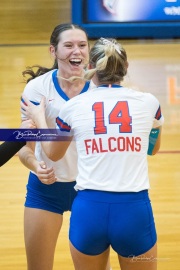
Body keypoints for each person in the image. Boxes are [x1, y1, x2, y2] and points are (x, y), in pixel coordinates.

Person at [21, 37, 164, 270]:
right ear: (126, 67)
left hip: (89, 209)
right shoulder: (149, 103)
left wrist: (38, 117)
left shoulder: (74, 106)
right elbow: (153, 149)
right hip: (133, 210)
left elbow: (52, 154)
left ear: (90, 68)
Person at [19, 24, 111, 270]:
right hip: (45, 190)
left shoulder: (101, 88)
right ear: (53, 50)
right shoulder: (37, 89)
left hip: (91, 188)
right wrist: (35, 165)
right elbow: (23, 148)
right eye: (68, 45)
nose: (77, 51)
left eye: (82, 45)